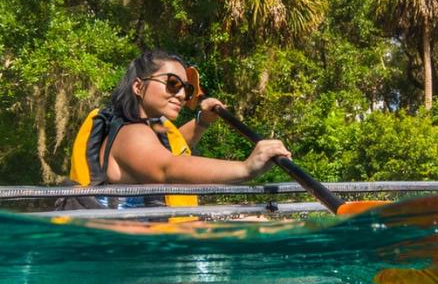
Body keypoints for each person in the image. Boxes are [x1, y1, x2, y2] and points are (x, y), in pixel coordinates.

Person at [61, 50, 291, 209]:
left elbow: (175, 144)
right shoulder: (132, 134)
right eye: (172, 83)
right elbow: (166, 167)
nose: (181, 94)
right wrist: (246, 168)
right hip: (137, 269)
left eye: (187, 90)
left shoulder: (140, 129)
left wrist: (202, 121)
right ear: (139, 86)